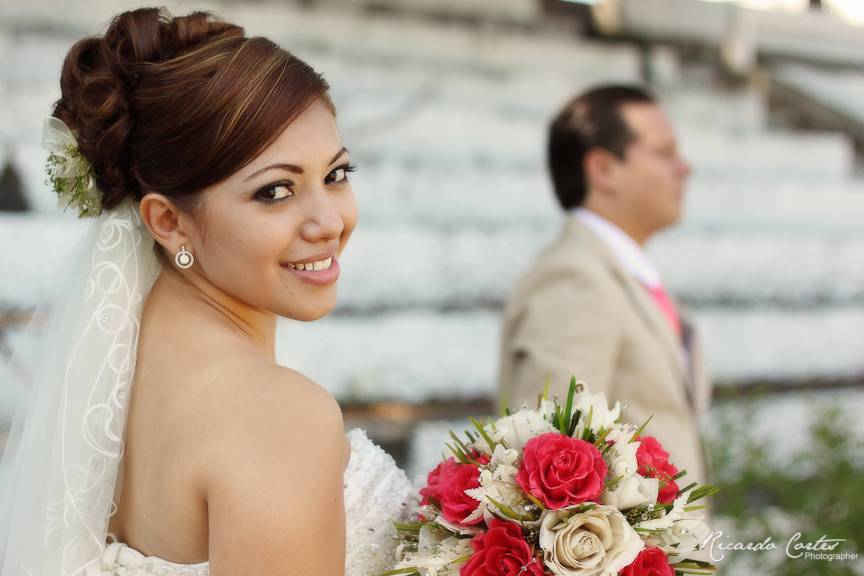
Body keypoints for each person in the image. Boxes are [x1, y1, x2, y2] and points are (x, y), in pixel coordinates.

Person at [0, 8, 414, 575]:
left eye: (336, 175)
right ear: (169, 222)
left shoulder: (106, 385)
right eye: (275, 191)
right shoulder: (279, 416)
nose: (329, 222)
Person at [499, 85, 712, 486]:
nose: (684, 168)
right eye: (665, 153)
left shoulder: (625, 273)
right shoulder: (573, 279)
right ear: (603, 169)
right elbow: (547, 461)